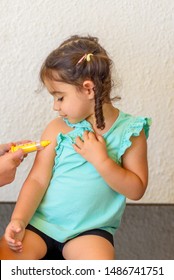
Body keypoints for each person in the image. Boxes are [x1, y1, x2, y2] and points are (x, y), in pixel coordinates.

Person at [0, 35, 151, 260]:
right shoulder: (57, 128)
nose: (55, 106)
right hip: (41, 224)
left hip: (90, 231)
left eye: (60, 97)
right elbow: (37, 180)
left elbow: (136, 190)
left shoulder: (130, 131)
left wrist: (102, 161)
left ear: (88, 89)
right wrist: (19, 220)